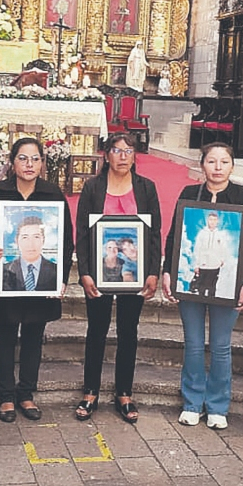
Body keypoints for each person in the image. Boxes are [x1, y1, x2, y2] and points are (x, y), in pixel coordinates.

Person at [162, 143, 243, 430]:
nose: (217, 167)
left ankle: (217, 405)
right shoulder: (190, 194)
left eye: (224, 162)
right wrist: (169, 271)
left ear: (232, 166)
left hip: (225, 280)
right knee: (193, 343)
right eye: (212, 161)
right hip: (193, 275)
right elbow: (175, 235)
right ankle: (192, 403)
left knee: (220, 345)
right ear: (202, 165)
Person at [0, 138, 72, 422]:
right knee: (4, 338)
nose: (29, 165)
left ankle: (27, 393)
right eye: (22, 158)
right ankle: (6, 396)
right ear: (12, 162)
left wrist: (62, 278)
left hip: (42, 281)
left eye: (35, 159)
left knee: (33, 338)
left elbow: (66, 241)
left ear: (43, 163)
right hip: (7, 277)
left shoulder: (53, 194)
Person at [76, 133, 162, 423]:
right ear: (106, 155)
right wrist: (85, 272)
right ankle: (90, 391)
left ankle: (124, 393)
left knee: (129, 332)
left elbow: (154, 235)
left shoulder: (146, 188)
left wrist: (153, 271)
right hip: (100, 274)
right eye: (116, 150)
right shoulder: (93, 187)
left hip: (133, 275)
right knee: (96, 331)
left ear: (135, 156)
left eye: (128, 151)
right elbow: (83, 234)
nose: (122, 156)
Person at [1, 216, 59, 292]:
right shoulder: (5, 269)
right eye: (25, 237)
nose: (30, 244)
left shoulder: (56, 270)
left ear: (43, 240)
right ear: (16, 240)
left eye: (36, 237)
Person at [190, 210, 231, 299]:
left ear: (217, 222)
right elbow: (197, 249)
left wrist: (221, 260)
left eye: (214, 220)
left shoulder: (220, 235)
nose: (212, 222)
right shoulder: (202, 234)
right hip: (203, 265)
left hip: (214, 266)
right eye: (210, 220)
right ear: (207, 221)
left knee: (212, 287)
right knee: (201, 288)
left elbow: (223, 249)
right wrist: (196, 265)